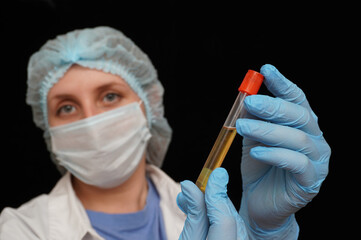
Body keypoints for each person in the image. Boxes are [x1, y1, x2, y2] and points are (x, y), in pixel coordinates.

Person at [0, 26, 331, 240]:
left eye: (110, 96)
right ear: (48, 129)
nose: (91, 122)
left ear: (149, 106)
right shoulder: (17, 230)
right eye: (67, 107)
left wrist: (268, 233)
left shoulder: (213, 215)